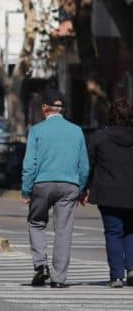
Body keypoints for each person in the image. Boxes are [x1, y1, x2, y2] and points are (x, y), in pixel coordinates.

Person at [21, 89, 90, 288]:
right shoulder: (76, 131)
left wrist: (26, 191)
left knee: (36, 222)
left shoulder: (36, 131)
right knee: (63, 229)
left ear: (44, 109)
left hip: (41, 184)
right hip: (69, 185)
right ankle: (59, 278)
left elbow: (29, 165)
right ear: (62, 110)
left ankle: (41, 265)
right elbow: (84, 166)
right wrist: (82, 188)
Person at [86, 98, 133, 288]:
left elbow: (88, 165)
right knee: (131, 230)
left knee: (113, 233)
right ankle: (131, 269)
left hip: (108, 193)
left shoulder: (100, 137)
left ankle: (116, 276)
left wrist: (83, 187)